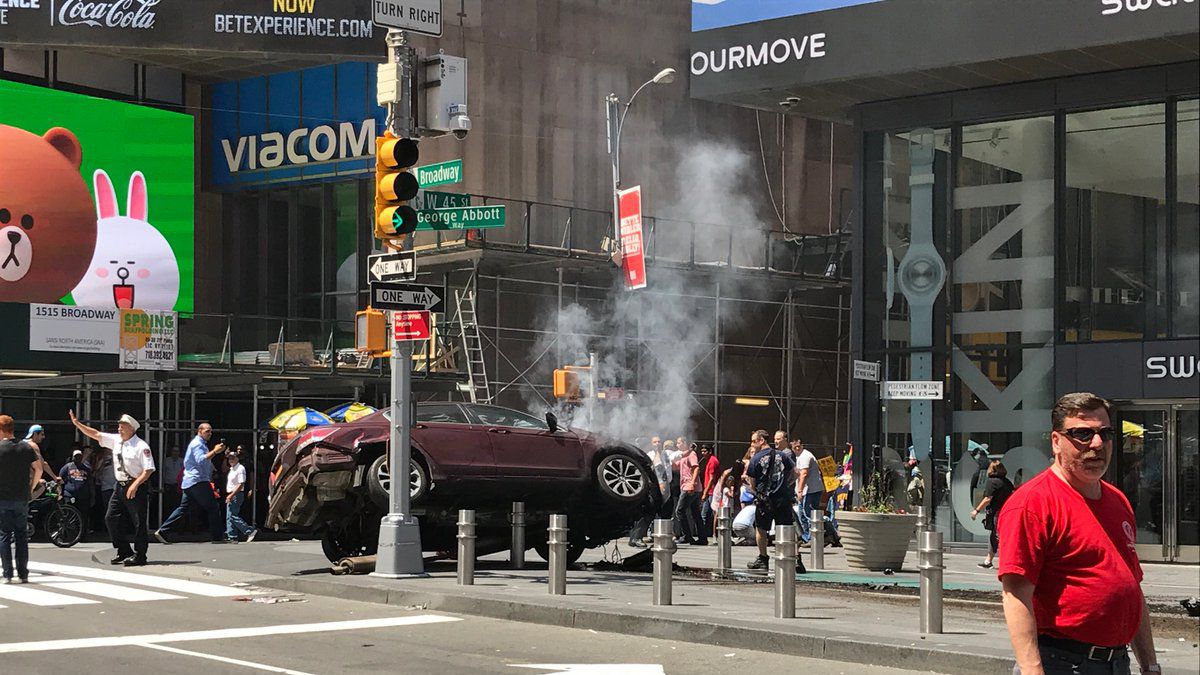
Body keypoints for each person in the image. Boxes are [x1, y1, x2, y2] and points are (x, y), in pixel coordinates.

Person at [998, 392, 1159, 675]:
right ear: (1056, 441)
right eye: (1082, 434)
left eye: (1105, 433)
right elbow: (1015, 596)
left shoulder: (1118, 500)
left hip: (1117, 663)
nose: (1097, 444)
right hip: (1063, 662)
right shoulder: (1032, 503)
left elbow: (1132, 589)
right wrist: (1033, 670)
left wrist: (1150, 665)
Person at [68, 410, 155, 566]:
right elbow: (95, 434)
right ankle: (123, 550)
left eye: (122, 426)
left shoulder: (141, 446)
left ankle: (140, 555)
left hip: (136, 485)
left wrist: (135, 485)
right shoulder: (116, 441)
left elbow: (148, 469)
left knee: (139, 522)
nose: (119, 429)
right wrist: (77, 424)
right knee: (111, 517)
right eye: (119, 426)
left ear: (131, 428)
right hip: (119, 485)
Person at [156, 423, 228, 544]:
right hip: (198, 481)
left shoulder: (200, 444)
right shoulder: (197, 444)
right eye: (207, 431)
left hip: (191, 482)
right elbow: (201, 459)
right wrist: (215, 452)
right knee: (213, 507)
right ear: (199, 431)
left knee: (183, 508)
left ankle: (163, 531)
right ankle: (217, 537)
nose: (210, 434)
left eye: (211, 431)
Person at [744, 429, 804, 572]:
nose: (752, 444)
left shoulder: (755, 459)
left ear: (761, 440)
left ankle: (763, 558)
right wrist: (785, 485)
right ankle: (794, 558)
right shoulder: (782, 455)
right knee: (786, 529)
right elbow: (796, 473)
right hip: (782, 498)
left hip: (765, 500)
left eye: (753, 441)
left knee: (761, 529)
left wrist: (756, 490)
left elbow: (752, 482)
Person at [0, 415, 43, 583]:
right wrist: (31, 487)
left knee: (4, 535)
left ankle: (8, 573)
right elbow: (38, 469)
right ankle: (23, 573)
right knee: (21, 536)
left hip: (3, 497)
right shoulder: (25, 447)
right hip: (22, 497)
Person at [970, 460, 1014, 569]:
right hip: (1008, 512)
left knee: (995, 536)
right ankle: (992, 560)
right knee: (1001, 536)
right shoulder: (1008, 482)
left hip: (997, 512)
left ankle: (989, 561)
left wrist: (977, 510)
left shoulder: (992, 482)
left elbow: (987, 498)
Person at [793, 438, 825, 546]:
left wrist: (800, 490)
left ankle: (813, 538)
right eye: (794, 446)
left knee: (809, 513)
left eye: (798, 445)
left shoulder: (805, 456)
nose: (796, 448)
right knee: (803, 514)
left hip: (811, 490)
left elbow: (804, 474)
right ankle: (807, 537)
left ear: (802, 445)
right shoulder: (799, 457)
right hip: (808, 490)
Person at [223, 449, 258, 542]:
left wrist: (232, 495)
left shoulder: (240, 468)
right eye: (229, 458)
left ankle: (249, 530)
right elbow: (223, 469)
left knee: (233, 515)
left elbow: (241, 483)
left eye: (233, 458)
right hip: (231, 493)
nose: (231, 460)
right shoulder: (232, 469)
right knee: (229, 516)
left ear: (237, 459)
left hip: (236, 494)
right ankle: (232, 536)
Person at [673, 442, 704, 545]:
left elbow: (696, 468)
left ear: (684, 443)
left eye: (679, 442)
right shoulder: (683, 456)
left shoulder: (691, 454)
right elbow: (676, 466)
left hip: (689, 487)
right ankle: (702, 538)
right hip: (688, 486)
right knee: (696, 513)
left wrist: (692, 483)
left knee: (679, 511)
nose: (677, 445)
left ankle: (687, 536)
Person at [58, 449, 92, 531]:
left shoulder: (86, 468)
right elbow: (59, 479)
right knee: (68, 516)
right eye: (76, 456)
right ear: (73, 457)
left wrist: (92, 495)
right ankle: (66, 534)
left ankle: (82, 535)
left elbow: (90, 482)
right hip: (69, 495)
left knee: (83, 516)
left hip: (83, 496)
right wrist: (59, 493)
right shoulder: (67, 467)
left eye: (79, 456)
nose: (78, 458)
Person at [697, 445, 720, 539]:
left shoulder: (712, 461)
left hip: (711, 492)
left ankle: (706, 535)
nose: (703, 453)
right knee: (706, 514)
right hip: (710, 491)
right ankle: (705, 534)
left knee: (707, 514)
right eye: (702, 451)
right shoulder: (710, 461)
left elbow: (712, 479)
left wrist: (705, 492)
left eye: (705, 451)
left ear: (710, 451)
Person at [91, 445, 115, 533]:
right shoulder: (101, 460)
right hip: (106, 487)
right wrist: (104, 460)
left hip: (116, 486)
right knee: (108, 509)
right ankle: (107, 529)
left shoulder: (117, 458)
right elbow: (96, 473)